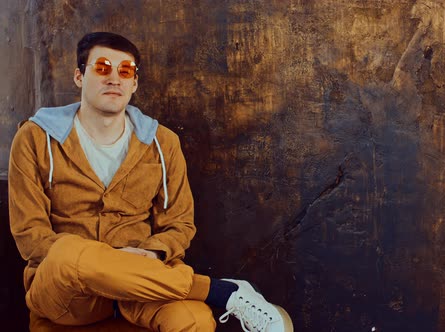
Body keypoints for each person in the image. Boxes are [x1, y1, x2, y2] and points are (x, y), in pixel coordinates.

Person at [8, 31, 293, 332]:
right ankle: (221, 292)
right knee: (66, 253)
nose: (114, 78)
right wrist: (102, 265)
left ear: (134, 83)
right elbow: (30, 235)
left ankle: (208, 293)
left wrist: (152, 253)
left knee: (193, 319)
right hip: (69, 293)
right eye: (102, 68)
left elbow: (180, 225)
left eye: (125, 70)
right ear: (79, 76)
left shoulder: (163, 142)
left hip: (144, 288)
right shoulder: (35, 138)